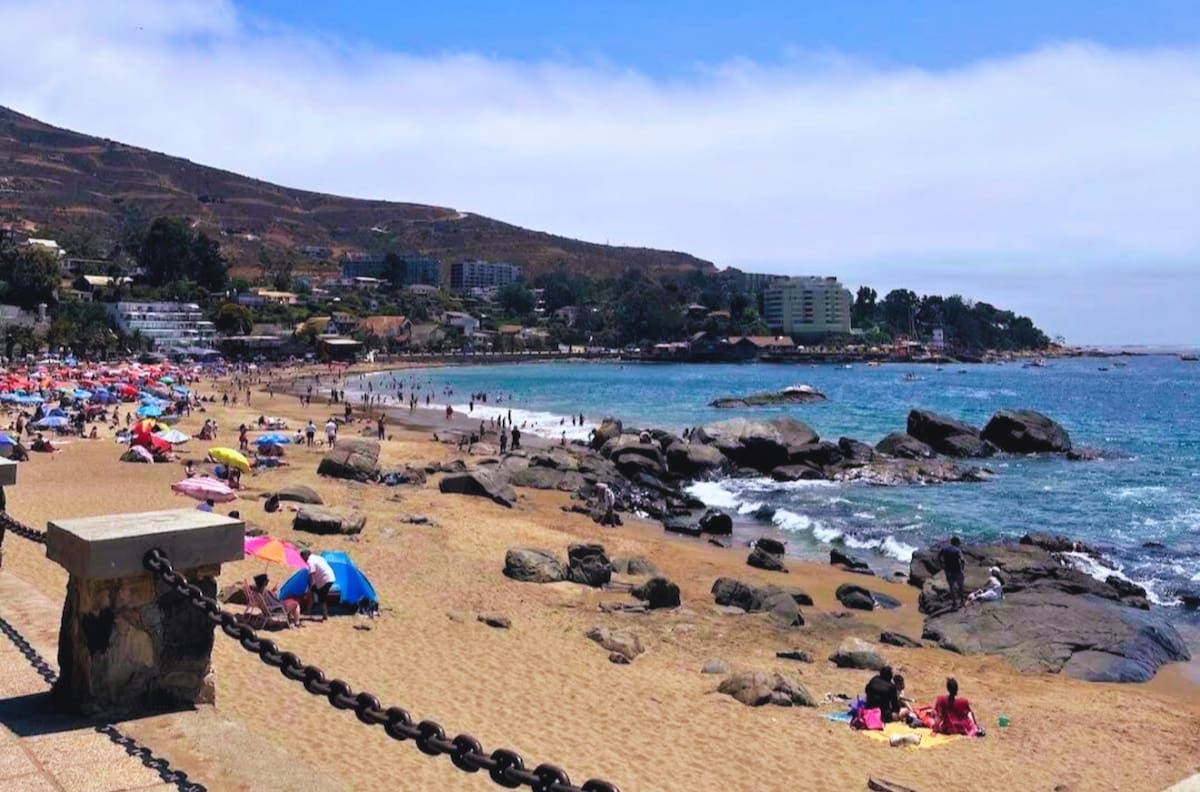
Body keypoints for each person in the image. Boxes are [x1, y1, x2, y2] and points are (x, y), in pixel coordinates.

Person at [300, 548, 336, 621]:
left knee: (321, 598)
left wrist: (309, 588)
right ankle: (309, 611)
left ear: (305, 556)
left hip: (325, 580)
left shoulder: (310, 561)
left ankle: (325, 616)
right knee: (315, 591)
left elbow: (311, 575)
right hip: (330, 577)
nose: (302, 560)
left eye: (302, 558)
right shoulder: (317, 557)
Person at [939, 536, 966, 609]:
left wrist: (942, 565)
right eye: (959, 543)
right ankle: (962, 601)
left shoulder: (944, 549)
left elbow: (939, 557)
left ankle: (954, 603)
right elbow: (962, 560)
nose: (959, 544)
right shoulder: (957, 550)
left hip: (948, 571)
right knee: (960, 586)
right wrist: (962, 568)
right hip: (957, 571)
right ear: (956, 543)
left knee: (951, 587)